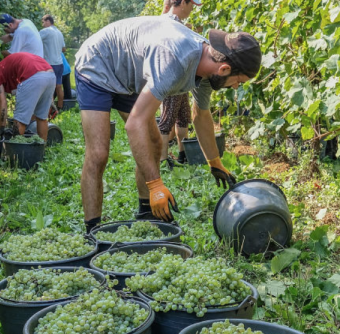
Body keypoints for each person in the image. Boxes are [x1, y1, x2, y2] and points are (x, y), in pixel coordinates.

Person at [74, 16, 260, 227]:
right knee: (98, 154)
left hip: (128, 73)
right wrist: (155, 184)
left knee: (154, 144)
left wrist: (214, 162)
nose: (235, 87)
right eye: (238, 81)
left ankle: (146, 213)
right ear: (224, 69)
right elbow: (135, 123)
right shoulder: (175, 60)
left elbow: (201, 115)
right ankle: (92, 230)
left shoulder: (209, 69)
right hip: (99, 62)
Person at [158, 0, 202, 166]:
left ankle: (183, 154)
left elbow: (165, 5)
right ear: (183, 2)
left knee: (183, 117)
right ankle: (163, 159)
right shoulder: (170, 23)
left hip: (182, 80)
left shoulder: (176, 21)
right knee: (167, 120)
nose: (192, 9)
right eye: (191, 4)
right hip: (171, 79)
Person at [0, 52, 56, 142]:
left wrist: (2, 127)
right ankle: (41, 150)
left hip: (33, 75)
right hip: (50, 75)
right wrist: (51, 101)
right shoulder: (4, 67)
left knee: (20, 120)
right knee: (41, 118)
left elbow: (1, 100)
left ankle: (15, 152)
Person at [40, 15, 67, 111]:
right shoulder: (59, 32)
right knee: (58, 86)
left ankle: (49, 110)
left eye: (43, 22)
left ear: (48, 21)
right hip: (59, 64)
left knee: (49, 88)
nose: (43, 25)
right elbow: (64, 49)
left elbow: (35, 40)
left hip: (50, 64)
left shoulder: (46, 31)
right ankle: (60, 108)